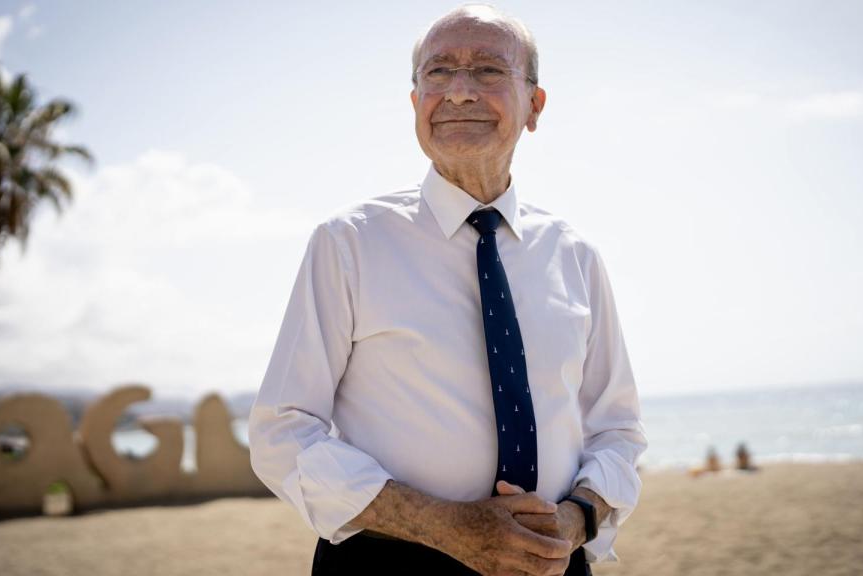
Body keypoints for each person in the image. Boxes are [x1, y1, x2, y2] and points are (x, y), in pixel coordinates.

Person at [248, 5, 647, 575]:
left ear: (534, 106)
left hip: (553, 560)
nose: (459, 92)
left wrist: (578, 519)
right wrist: (447, 527)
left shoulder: (575, 255)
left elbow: (618, 430)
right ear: (415, 104)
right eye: (437, 73)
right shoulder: (348, 243)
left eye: (488, 70)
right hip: (388, 560)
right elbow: (282, 430)